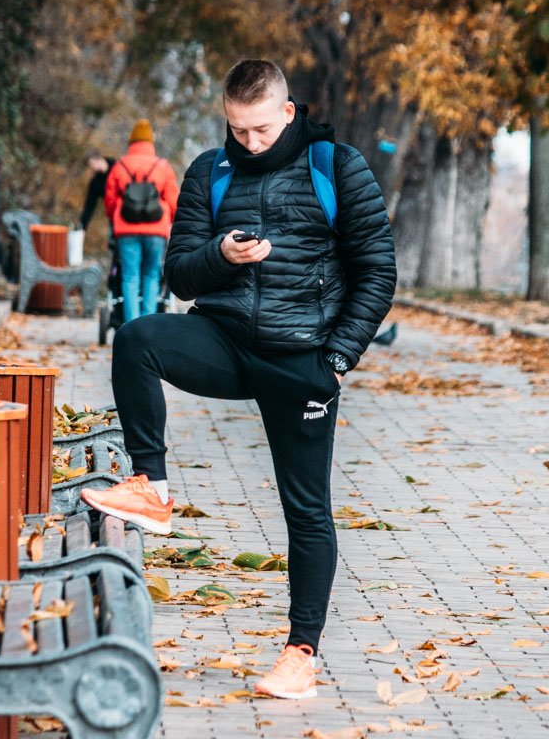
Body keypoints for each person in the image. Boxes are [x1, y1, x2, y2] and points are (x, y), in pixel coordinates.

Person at [81, 60, 397, 700]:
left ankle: (300, 654)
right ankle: (152, 487)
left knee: (305, 510)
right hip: (223, 339)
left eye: (259, 129)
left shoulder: (337, 166)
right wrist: (220, 255)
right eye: (236, 129)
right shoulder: (208, 171)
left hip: (301, 356)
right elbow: (180, 276)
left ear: (286, 112)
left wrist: (336, 359)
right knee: (139, 338)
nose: (249, 142)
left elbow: (378, 272)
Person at [102, 119, 179, 322]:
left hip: (126, 231)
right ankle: (148, 323)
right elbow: (173, 201)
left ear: (132, 141)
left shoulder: (119, 166)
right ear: (151, 142)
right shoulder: (162, 166)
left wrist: (114, 218)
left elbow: (109, 200)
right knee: (152, 275)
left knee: (129, 276)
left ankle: (131, 325)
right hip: (156, 231)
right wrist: (170, 222)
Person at [78, 152, 114, 231]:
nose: (91, 168)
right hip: (114, 216)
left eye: (91, 164)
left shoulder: (118, 167)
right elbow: (89, 206)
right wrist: (82, 228)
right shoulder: (95, 183)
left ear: (98, 159)